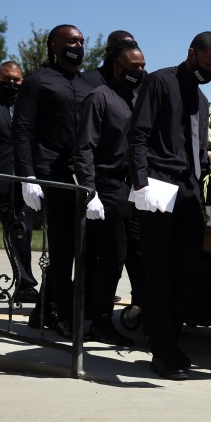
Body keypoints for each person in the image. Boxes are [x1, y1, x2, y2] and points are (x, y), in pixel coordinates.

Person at [127, 31, 211, 380]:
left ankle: (169, 341)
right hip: (158, 185)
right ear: (191, 54)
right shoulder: (159, 82)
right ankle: (163, 350)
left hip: (188, 191)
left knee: (188, 271)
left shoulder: (200, 99)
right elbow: (138, 134)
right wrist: (142, 182)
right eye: (207, 63)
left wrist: (207, 196)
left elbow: (200, 152)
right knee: (160, 272)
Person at [13, 24, 95, 337]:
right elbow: (22, 129)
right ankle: (65, 316)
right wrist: (28, 175)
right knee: (63, 250)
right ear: (54, 45)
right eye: (72, 40)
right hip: (51, 175)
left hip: (81, 176)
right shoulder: (38, 81)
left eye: (81, 41)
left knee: (78, 248)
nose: (78, 45)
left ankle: (43, 309)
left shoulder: (86, 84)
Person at [73, 39, 147, 347]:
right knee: (111, 257)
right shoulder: (99, 97)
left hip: (135, 187)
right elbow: (84, 147)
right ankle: (98, 319)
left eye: (143, 66)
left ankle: (142, 312)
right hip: (109, 185)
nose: (140, 72)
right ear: (117, 67)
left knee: (141, 253)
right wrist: (90, 191)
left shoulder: (139, 98)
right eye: (134, 67)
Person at [0, 61, 39, 304]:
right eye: (7, 78)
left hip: (20, 182)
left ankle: (25, 285)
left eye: (17, 79)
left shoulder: (26, 106)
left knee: (22, 235)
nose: (12, 83)